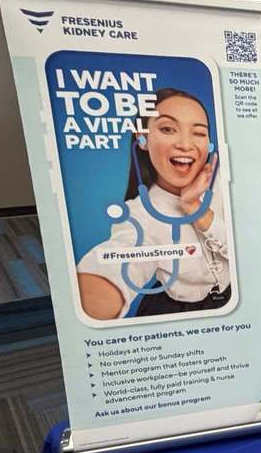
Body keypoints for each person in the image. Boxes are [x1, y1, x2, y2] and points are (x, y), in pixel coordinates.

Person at [77, 88, 230, 319]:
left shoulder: (225, 181)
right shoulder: (138, 215)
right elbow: (119, 259)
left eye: (199, 133)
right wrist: (99, 289)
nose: (185, 145)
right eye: (168, 129)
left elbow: (249, 249)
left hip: (236, 301)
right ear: (142, 138)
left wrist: (197, 210)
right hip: (179, 311)